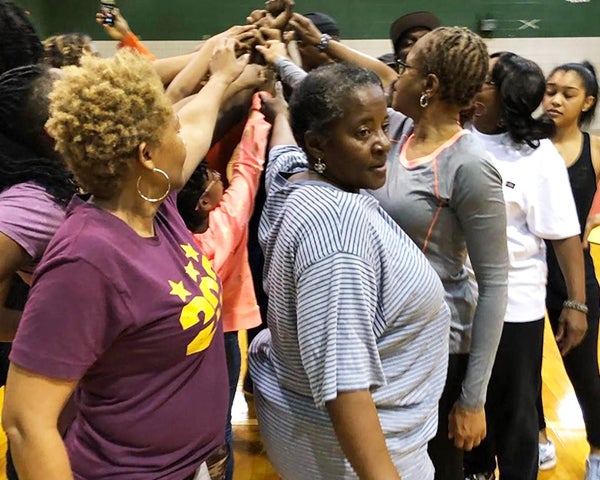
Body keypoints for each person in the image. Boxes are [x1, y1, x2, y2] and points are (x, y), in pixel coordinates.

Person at [2, 44, 247, 479]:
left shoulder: (158, 205)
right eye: (170, 129)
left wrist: (223, 76)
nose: (181, 134)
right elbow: (26, 423)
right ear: (147, 155)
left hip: (188, 467)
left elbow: (197, 119)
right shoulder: (87, 259)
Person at [286, 19, 509, 480]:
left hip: (443, 348)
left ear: (427, 86)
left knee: (435, 467)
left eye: (405, 68)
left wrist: (473, 397)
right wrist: (288, 55)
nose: (395, 75)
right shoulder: (396, 130)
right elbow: (348, 88)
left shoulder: (468, 165)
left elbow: (495, 284)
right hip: (388, 330)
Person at [249, 65, 450, 480]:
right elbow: (345, 384)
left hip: (324, 443)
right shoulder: (338, 234)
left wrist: (280, 113)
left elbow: (282, 154)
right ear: (318, 145)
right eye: (362, 133)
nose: (382, 144)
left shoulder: (294, 178)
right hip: (367, 457)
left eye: (382, 126)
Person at [463, 52, 587, 480]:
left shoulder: (537, 156)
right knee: (462, 411)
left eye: (484, 81)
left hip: (515, 308)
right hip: (454, 309)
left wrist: (577, 302)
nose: (474, 86)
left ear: (505, 95)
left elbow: (565, 235)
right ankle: (475, 471)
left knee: (515, 416)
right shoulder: (454, 137)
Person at [177, 91, 271, 480]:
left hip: (179, 339)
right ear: (203, 203)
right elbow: (249, 168)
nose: (219, 173)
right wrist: (258, 111)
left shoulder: (166, 233)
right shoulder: (226, 225)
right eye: (212, 176)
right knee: (218, 431)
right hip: (224, 335)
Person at [0, 64, 78, 480]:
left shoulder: (68, 179)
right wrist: (67, 333)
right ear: (54, 128)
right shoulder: (35, 203)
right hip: (61, 417)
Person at [538, 60, 600, 480]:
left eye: (568, 93)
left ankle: (596, 448)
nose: (555, 99)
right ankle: (540, 438)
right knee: (522, 365)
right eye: (550, 90)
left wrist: (592, 220)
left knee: (583, 368)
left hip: (573, 272)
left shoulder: (594, 148)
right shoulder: (527, 142)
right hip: (526, 269)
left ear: (588, 102)